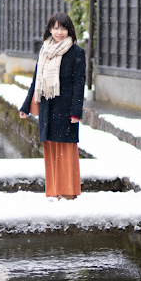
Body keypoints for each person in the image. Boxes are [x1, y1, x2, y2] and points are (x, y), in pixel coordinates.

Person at [19, 12, 86, 199]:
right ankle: (54, 192)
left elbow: (79, 85)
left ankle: (68, 192)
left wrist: (75, 112)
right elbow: (35, 81)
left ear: (69, 30)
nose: (59, 32)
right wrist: (26, 106)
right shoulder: (44, 52)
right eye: (55, 28)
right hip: (48, 108)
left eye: (63, 28)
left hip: (65, 110)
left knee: (66, 151)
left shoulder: (77, 53)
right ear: (49, 29)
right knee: (51, 151)